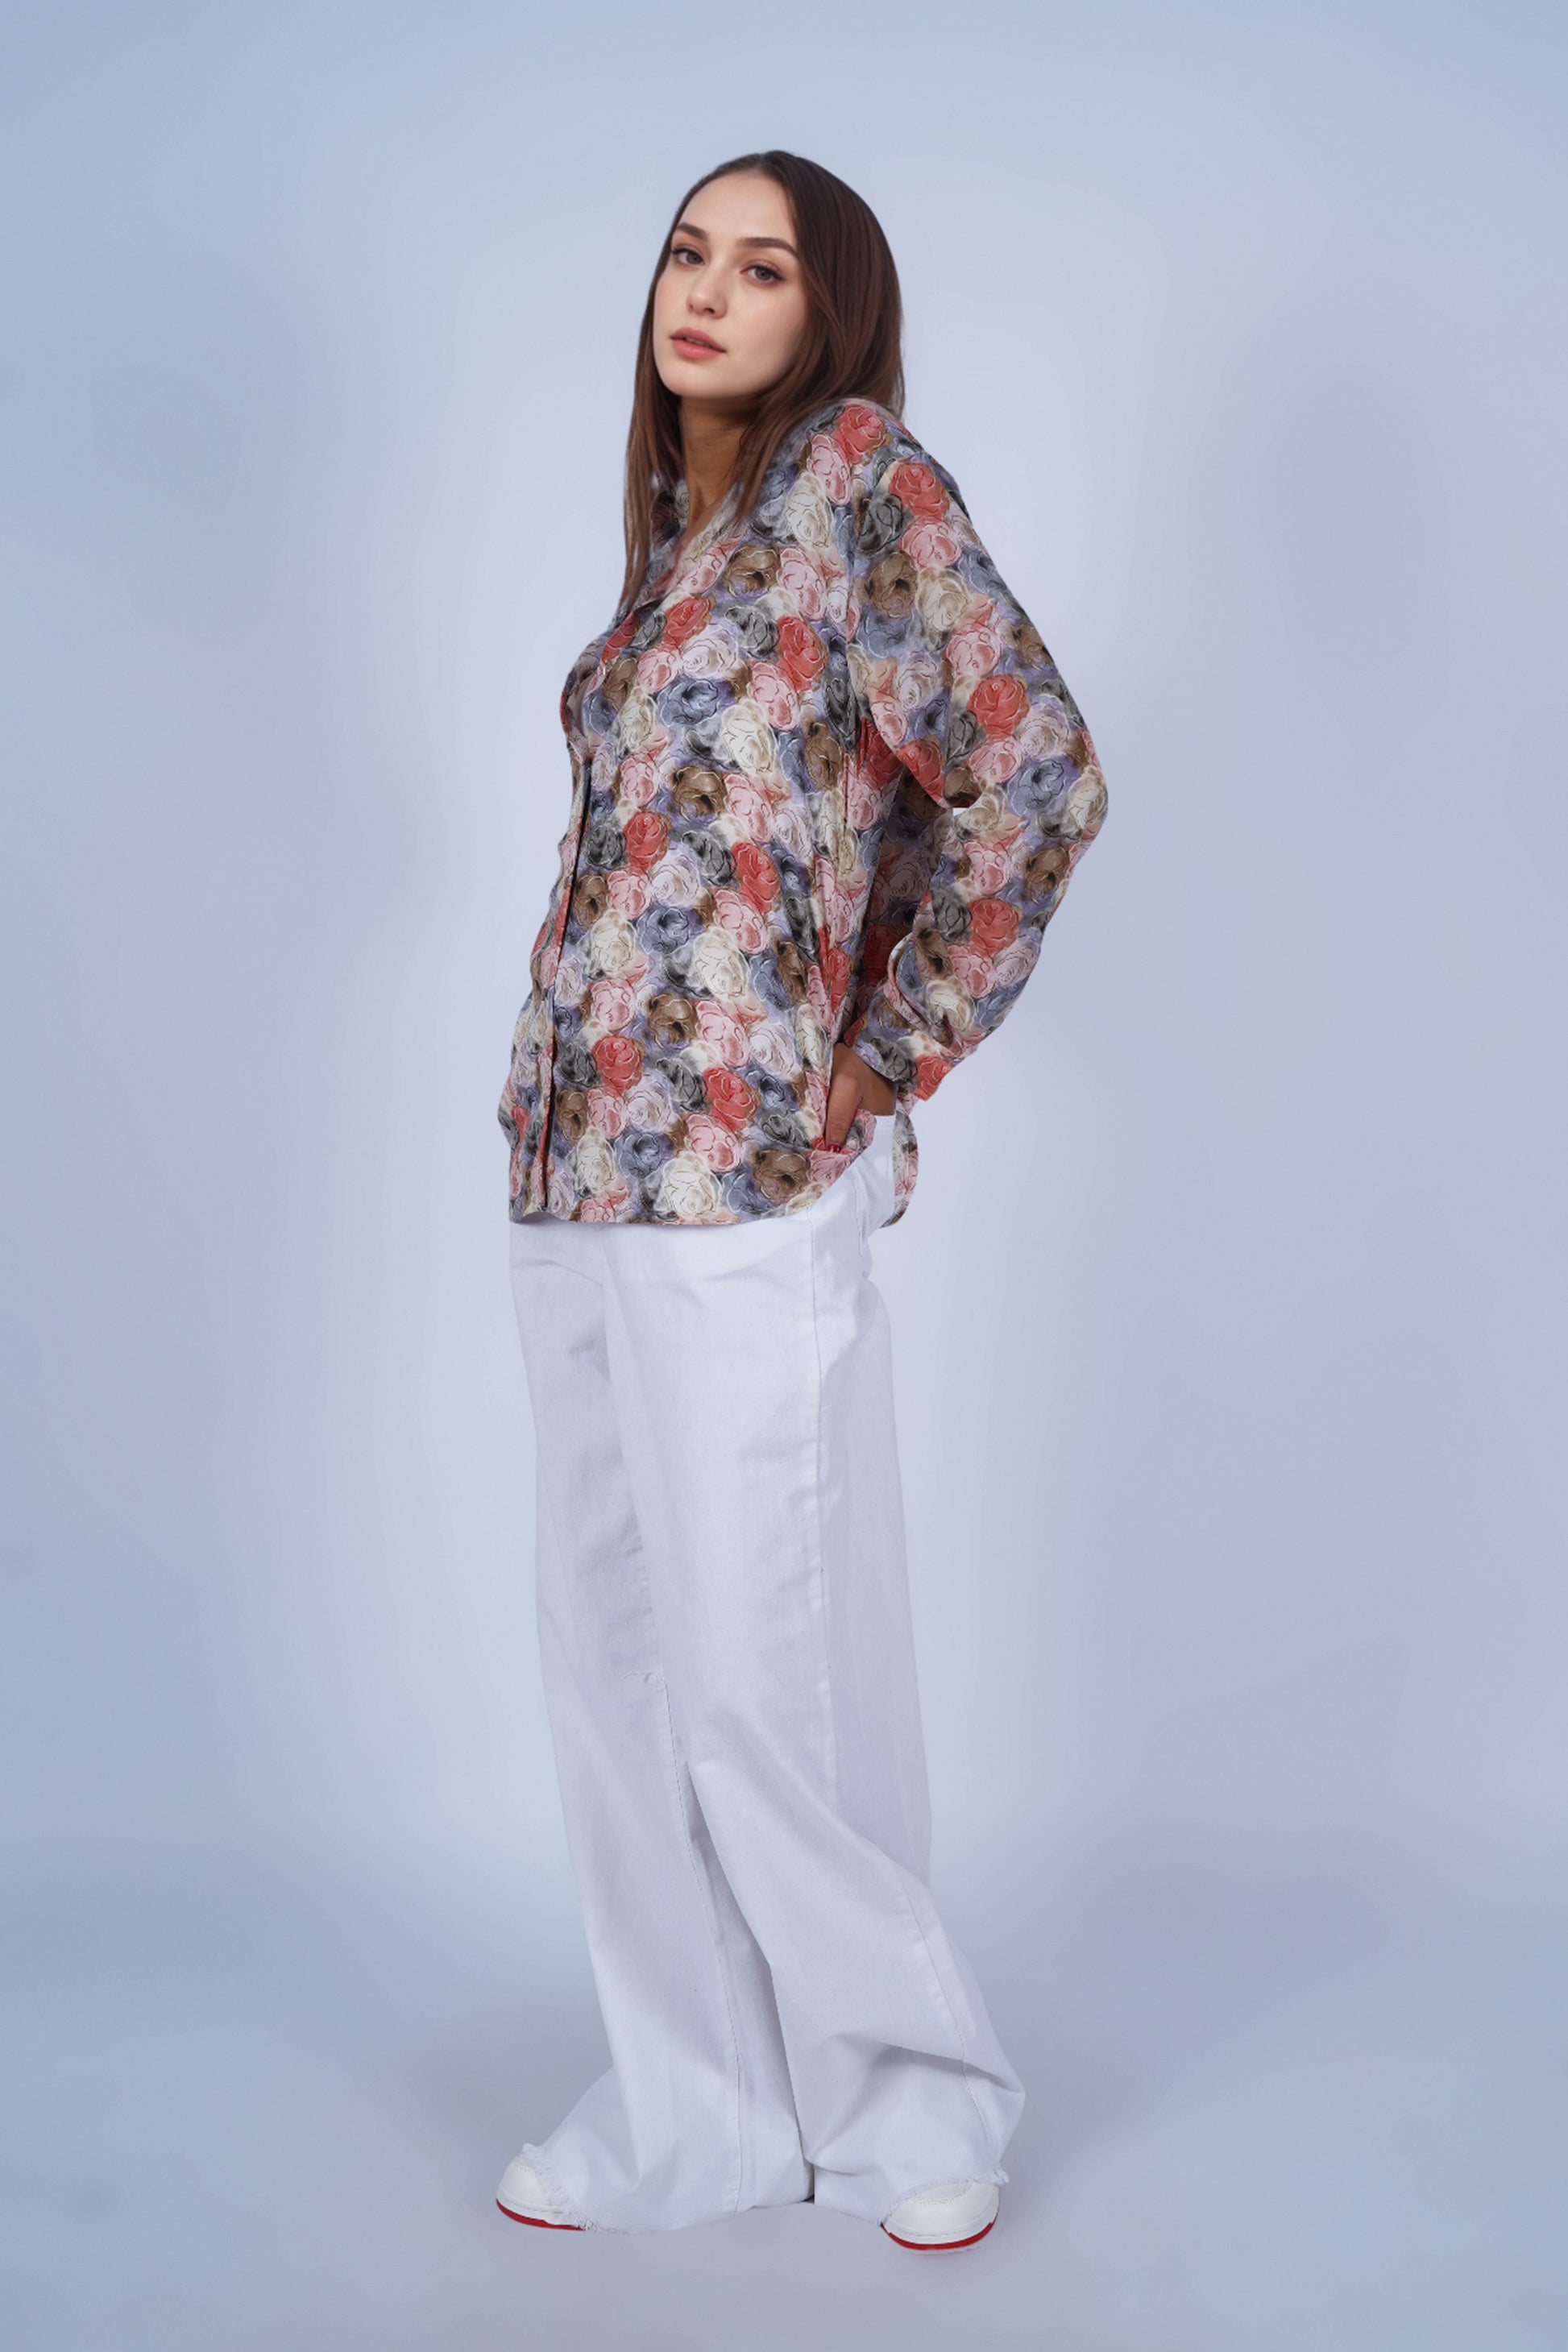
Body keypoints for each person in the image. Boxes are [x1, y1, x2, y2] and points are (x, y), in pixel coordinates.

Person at [494, 151, 1106, 2250]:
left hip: (748, 1164)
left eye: (762, 268)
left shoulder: (857, 482)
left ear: (824, 313)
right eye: (688, 252)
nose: (707, 291)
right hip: (579, 1162)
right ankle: (700, 2111)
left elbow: (1031, 773)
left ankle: (911, 2099)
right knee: (622, 1673)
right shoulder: (678, 550)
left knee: (772, 1666)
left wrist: (886, 1047)